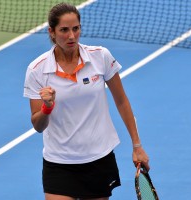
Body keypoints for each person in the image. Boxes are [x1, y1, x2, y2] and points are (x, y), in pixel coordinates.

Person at [23, 2, 149, 200]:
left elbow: (122, 101)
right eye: (64, 30)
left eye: (76, 28)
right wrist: (47, 107)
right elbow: (38, 126)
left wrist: (137, 145)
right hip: (59, 162)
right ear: (52, 32)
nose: (71, 36)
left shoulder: (100, 57)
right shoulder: (37, 70)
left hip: (98, 159)